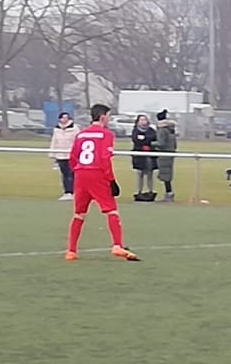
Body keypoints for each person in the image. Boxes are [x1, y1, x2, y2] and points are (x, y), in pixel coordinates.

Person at [64, 105, 141, 262]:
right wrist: (111, 180)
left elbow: (72, 157)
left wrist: (78, 171)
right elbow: (105, 158)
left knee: (79, 214)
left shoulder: (81, 134)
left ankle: (71, 251)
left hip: (81, 174)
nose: (109, 119)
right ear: (102, 117)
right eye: (108, 116)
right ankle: (117, 245)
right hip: (97, 174)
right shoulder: (106, 134)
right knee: (111, 210)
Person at [49, 111, 76, 200]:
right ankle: (67, 192)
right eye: (63, 118)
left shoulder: (74, 129)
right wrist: (52, 153)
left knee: (71, 174)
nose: (64, 119)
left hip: (71, 155)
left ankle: (72, 192)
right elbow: (54, 141)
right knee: (64, 174)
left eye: (66, 117)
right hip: (60, 155)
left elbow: (77, 141)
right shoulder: (57, 129)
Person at [130, 113, 157, 200]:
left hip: (149, 155)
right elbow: (136, 140)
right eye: (141, 120)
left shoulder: (151, 130)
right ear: (138, 121)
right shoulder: (135, 131)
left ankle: (150, 191)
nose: (143, 121)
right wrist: (144, 142)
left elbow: (152, 138)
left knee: (150, 174)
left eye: (144, 119)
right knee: (139, 174)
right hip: (139, 156)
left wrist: (145, 140)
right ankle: (139, 191)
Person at [154, 109, 178, 202]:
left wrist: (151, 144)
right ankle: (169, 193)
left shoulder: (162, 130)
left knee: (165, 175)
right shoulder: (171, 129)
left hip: (164, 154)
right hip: (170, 153)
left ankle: (169, 193)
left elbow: (161, 143)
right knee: (168, 174)